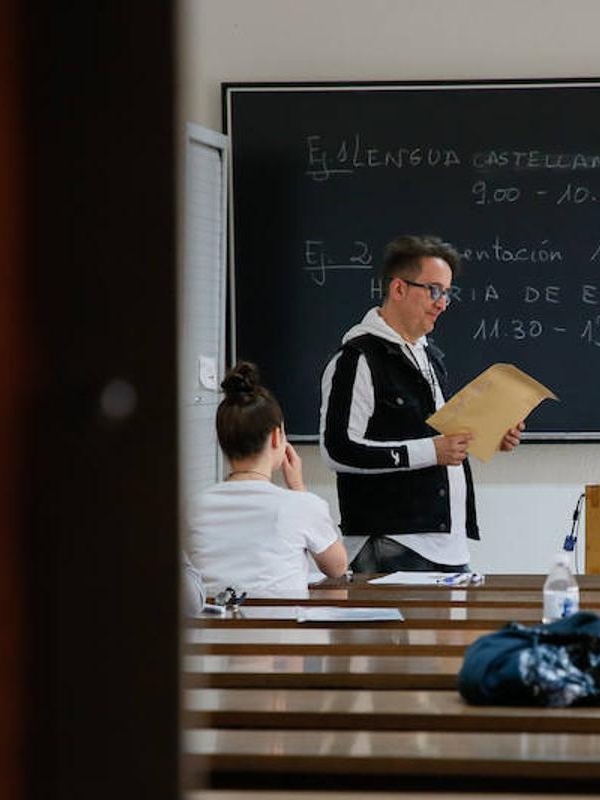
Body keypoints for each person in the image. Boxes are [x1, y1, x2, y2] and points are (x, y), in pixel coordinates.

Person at [320, 235, 523, 573]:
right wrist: (432, 451)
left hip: (448, 544)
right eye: (433, 290)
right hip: (393, 545)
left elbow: (436, 438)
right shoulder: (358, 358)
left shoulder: (429, 357)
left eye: (446, 293)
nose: (442, 302)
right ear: (398, 289)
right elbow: (337, 449)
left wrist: (489, 435)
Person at [187, 361, 347, 598]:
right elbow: (337, 567)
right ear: (276, 437)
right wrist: (298, 488)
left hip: (211, 633)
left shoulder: (192, 507)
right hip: (282, 632)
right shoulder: (301, 505)